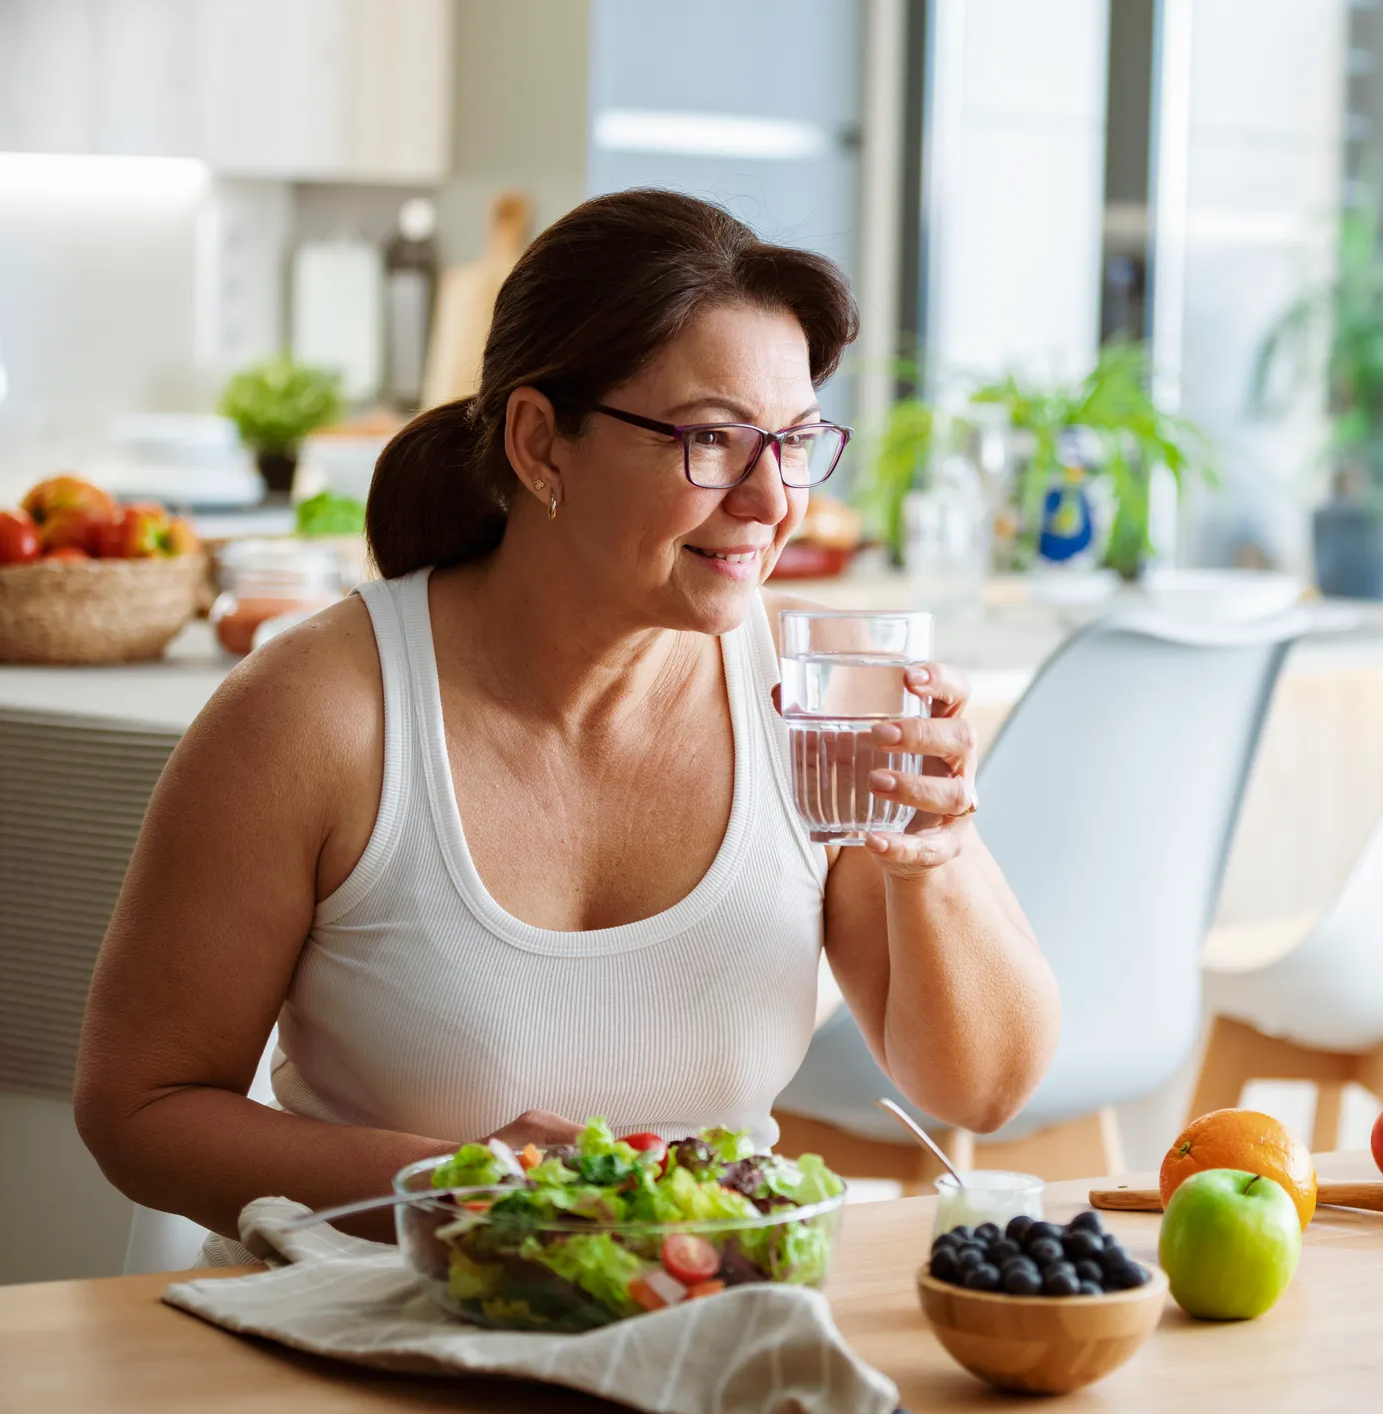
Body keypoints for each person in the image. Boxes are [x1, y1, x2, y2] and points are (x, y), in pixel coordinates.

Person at [73, 190, 1059, 1251]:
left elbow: (985, 1088)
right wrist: (447, 1186)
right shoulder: (316, 716)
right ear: (541, 443)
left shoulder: (821, 700)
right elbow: (140, 1110)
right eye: (713, 439)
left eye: (796, 442)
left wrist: (933, 859)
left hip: (703, 1330)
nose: (774, 500)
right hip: (362, 1330)